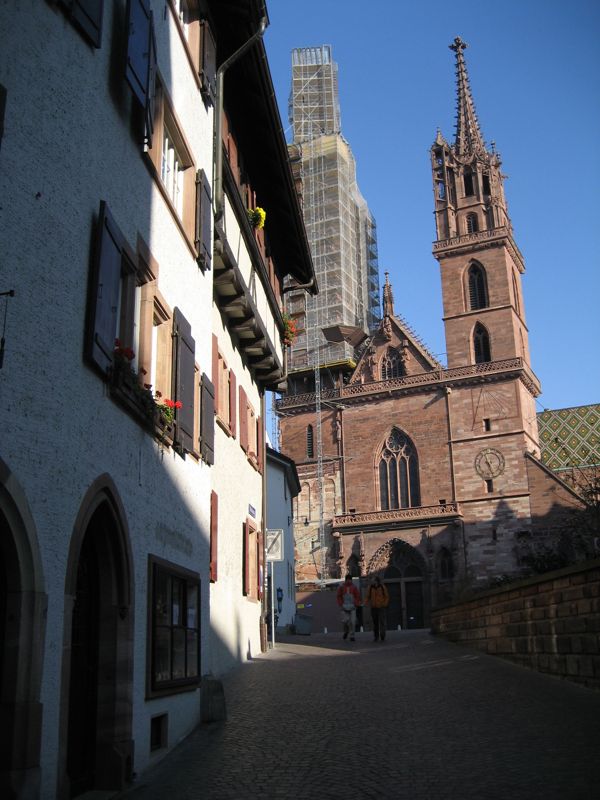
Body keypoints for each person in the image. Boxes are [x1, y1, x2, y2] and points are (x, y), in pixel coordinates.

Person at [364, 574, 389, 642]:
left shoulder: (382, 587)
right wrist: (365, 603)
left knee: (382, 622)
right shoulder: (370, 587)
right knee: (375, 623)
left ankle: (382, 635)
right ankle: (376, 636)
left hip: (381, 607)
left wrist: (384, 604)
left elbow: (386, 596)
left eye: (373, 580)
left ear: (376, 581)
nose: (371, 581)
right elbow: (367, 596)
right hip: (374, 607)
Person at [336, 574, 361, 641]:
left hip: (352, 607)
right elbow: (339, 596)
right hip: (344, 607)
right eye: (348, 580)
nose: (349, 581)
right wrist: (341, 604)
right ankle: (346, 631)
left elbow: (357, 596)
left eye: (350, 580)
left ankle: (352, 636)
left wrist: (355, 604)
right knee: (345, 621)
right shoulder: (341, 587)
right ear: (346, 580)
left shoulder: (354, 587)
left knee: (353, 622)